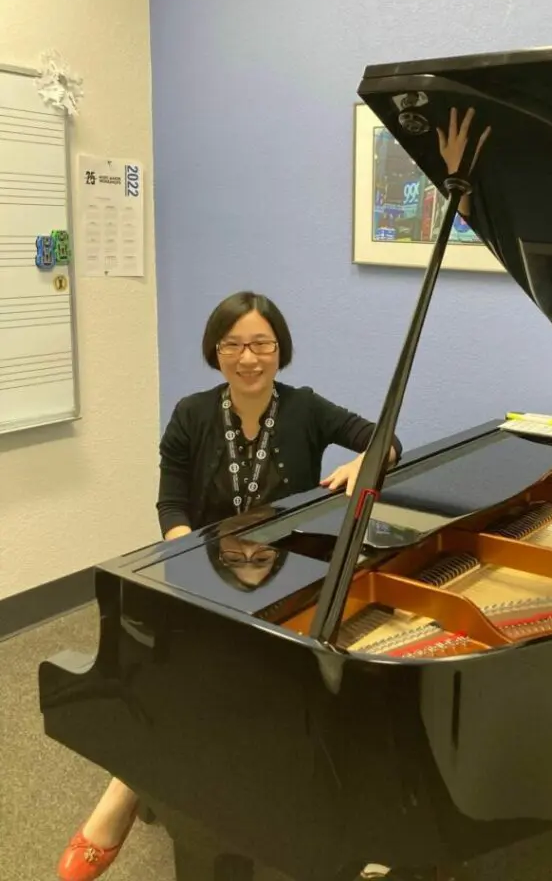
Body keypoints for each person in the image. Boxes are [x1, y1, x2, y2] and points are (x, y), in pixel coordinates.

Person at [58, 290, 401, 881]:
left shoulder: (306, 407)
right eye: (234, 344)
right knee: (180, 668)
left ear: (279, 350)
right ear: (216, 351)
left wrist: (361, 464)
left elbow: (384, 439)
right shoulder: (192, 414)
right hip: (206, 573)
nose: (249, 357)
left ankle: (138, 790)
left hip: (291, 577)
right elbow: (171, 499)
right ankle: (126, 789)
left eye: (262, 343)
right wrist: (187, 552)